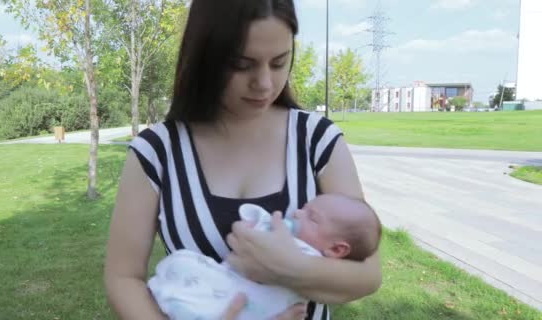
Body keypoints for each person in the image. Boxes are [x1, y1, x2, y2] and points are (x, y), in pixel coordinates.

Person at [104, 0, 383, 319]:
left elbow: (369, 273)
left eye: (279, 62)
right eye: (241, 64)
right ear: (203, 57)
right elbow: (123, 278)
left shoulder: (316, 138)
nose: (264, 84)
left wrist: (288, 268)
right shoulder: (156, 151)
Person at [147, 194, 382, 320]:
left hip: (256, 307)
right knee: (185, 264)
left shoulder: (309, 253)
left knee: (185, 266)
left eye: (312, 217)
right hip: (237, 291)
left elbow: (371, 278)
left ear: (337, 250)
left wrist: (262, 228)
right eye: (304, 208)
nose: (297, 213)